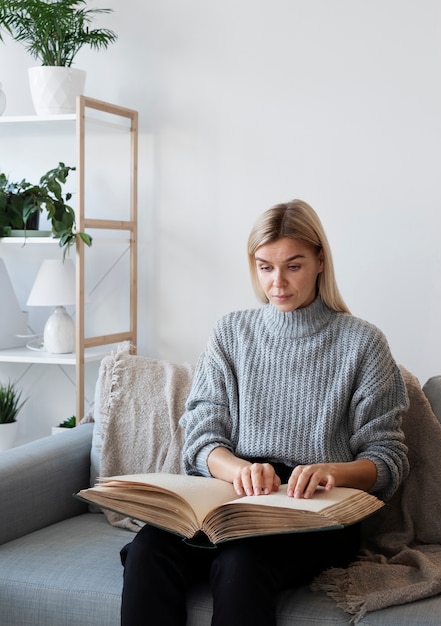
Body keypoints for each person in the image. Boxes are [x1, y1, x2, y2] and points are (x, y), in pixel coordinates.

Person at [120, 199, 409, 626]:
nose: (278, 283)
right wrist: (237, 469)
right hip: (235, 495)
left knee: (241, 562)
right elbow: (201, 437)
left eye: (293, 266)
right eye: (265, 267)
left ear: (319, 261)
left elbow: (389, 457)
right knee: (146, 551)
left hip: (317, 506)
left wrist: (333, 471)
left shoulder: (362, 343)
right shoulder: (231, 332)